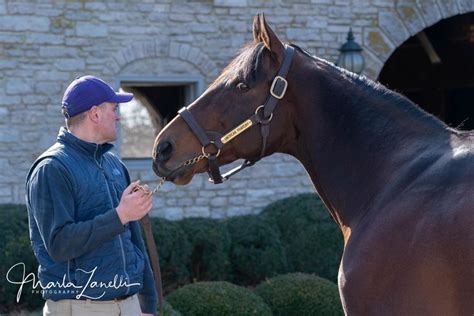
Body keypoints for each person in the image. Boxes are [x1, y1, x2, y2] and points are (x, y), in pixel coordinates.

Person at [25, 75, 157, 316]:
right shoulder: (52, 168)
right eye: (114, 109)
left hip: (129, 306)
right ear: (95, 114)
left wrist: (147, 304)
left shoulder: (114, 164)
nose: (119, 116)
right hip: (79, 308)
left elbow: (133, 239)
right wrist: (120, 215)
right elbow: (59, 244)